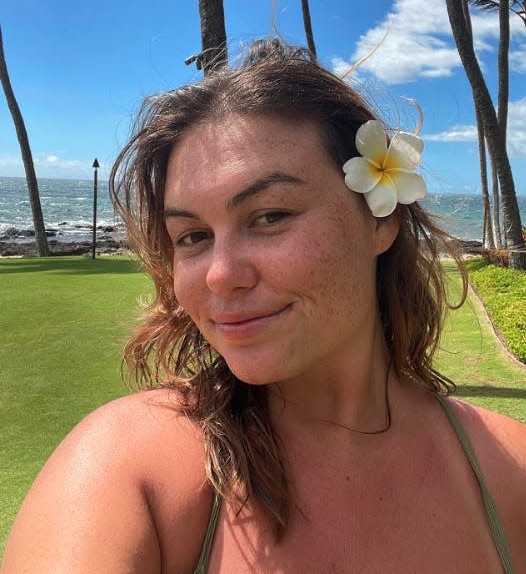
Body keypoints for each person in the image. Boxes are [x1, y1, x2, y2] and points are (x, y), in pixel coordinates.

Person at [2, 40, 525, 573]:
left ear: (381, 220)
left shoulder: (511, 475)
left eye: (270, 216)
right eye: (192, 236)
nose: (221, 274)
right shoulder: (125, 472)